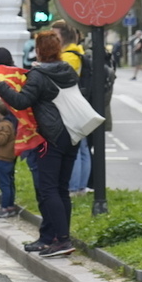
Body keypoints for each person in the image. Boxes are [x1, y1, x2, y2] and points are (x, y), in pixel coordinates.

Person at [0, 30, 79, 259]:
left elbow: (20, 101)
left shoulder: (38, 75)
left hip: (51, 136)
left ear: (38, 50)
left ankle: (62, 239)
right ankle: (56, 238)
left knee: (48, 189)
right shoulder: (67, 70)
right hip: (72, 134)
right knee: (61, 189)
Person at [52, 20, 91, 196]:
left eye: (55, 36)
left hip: (70, 105)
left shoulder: (68, 57)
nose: (52, 39)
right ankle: (81, 186)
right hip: (80, 104)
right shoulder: (78, 51)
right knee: (82, 148)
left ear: (64, 37)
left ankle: (74, 187)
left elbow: (61, 81)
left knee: (75, 147)